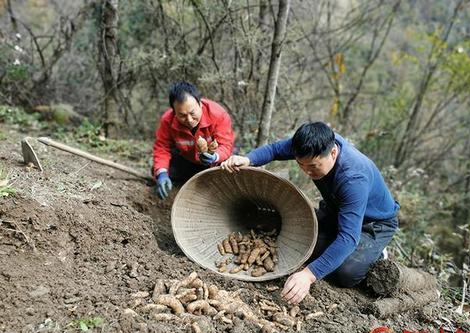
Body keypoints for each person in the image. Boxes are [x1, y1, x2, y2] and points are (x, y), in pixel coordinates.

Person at [221, 122, 399, 304]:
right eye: (301, 165)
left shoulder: (353, 179)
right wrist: (248, 159)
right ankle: (330, 237)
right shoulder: (309, 145)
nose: (307, 171)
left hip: (372, 223)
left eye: (314, 166)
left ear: (333, 153)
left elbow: (348, 236)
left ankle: (376, 251)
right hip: (336, 210)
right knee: (297, 238)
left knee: (346, 273)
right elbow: (275, 150)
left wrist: (308, 275)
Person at [153, 81, 235, 199]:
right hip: (187, 160)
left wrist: (215, 156)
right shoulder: (167, 120)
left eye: (192, 113)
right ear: (174, 111)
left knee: (231, 168)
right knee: (159, 170)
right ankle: (180, 187)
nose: (190, 120)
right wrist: (162, 174)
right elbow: (162, 147)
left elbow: (226, 145)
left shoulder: (219, 115)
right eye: (182, 115)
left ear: (200, 104)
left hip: (214, 164)